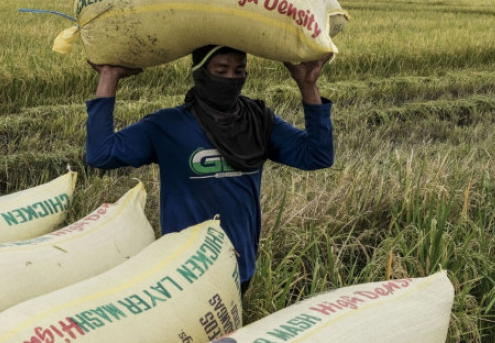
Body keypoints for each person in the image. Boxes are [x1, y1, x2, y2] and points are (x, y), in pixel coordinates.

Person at [85, 45, 334, 293]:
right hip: (183, 270)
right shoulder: (168, 126)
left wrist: (307, 85)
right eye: (221, 70)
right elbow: (101, 154)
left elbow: (317, 155)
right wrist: (109, 77)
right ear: (200, 72)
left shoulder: (258, 122)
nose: (231, 79)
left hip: (239, 265)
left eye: (239, 71)